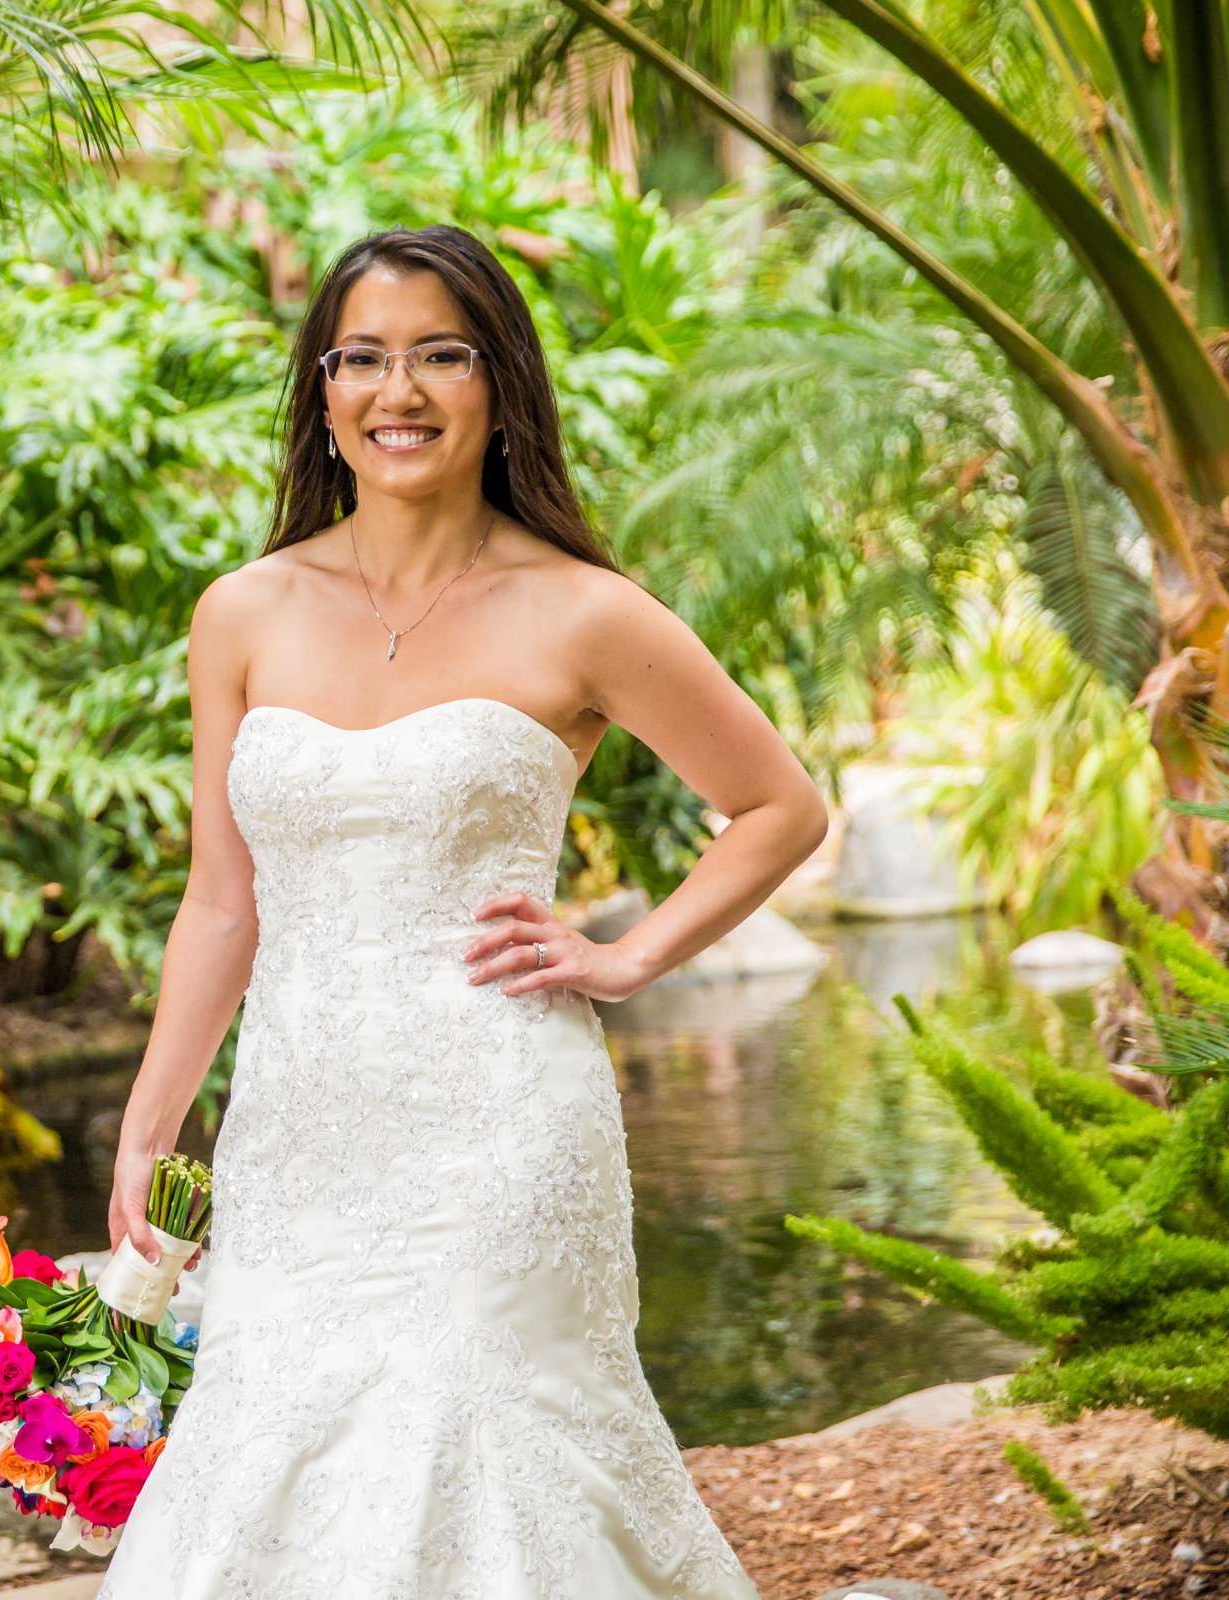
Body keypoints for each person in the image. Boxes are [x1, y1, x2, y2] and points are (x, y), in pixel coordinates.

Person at [93, 225, 826, 1597]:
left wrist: (629, 956)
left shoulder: (583, 613)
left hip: (500, 1128)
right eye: (363, 358)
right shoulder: (243, 613)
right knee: (276, 1468)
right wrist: (149, 1128)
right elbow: (220, 906)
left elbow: (780, 806)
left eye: (442, 355)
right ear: (322, 392)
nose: (400, 391)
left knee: (479, 1451)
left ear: (500, 389)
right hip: (300, 1136)